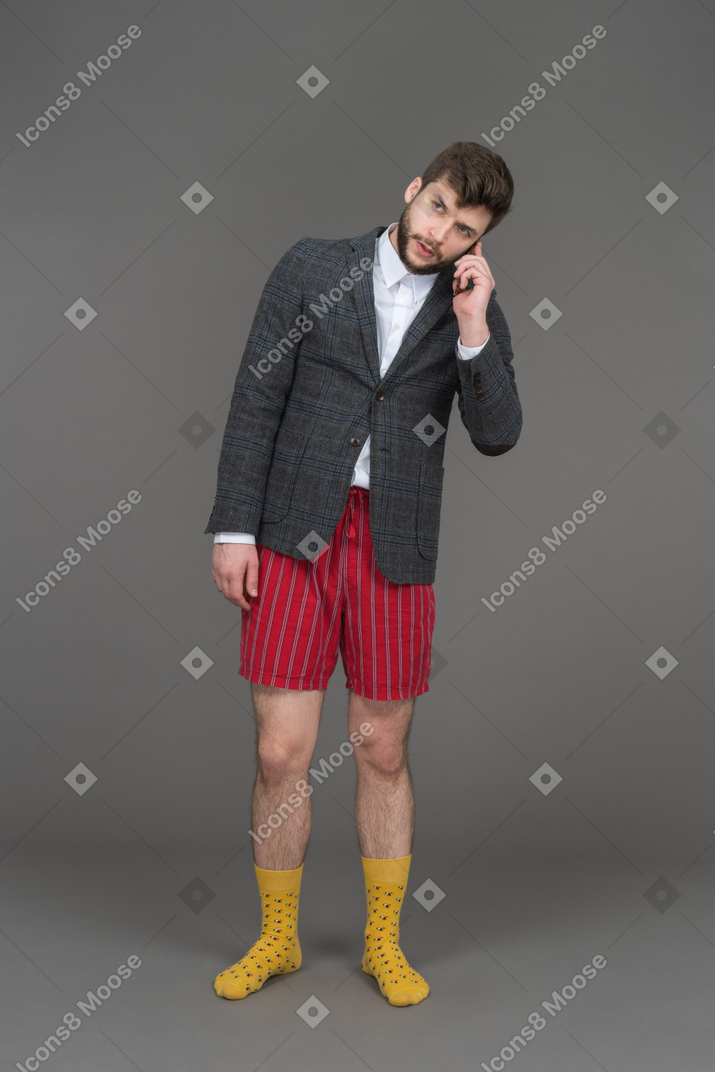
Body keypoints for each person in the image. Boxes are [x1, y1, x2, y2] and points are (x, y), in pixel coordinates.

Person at [205, 141, 523, 1006]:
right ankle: (276, 940)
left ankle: (384, 943)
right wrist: (233, 525)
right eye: (436, 212)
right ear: (413, 190)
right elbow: (255, 397)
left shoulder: (469, 301)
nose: (441, 236)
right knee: (280, 751)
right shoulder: (313, 266)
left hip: (394, 544)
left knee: (381, 747)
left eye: (465, 231)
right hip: (288, 532)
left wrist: (473, 327)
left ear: (478, 240)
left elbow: (497, 432)